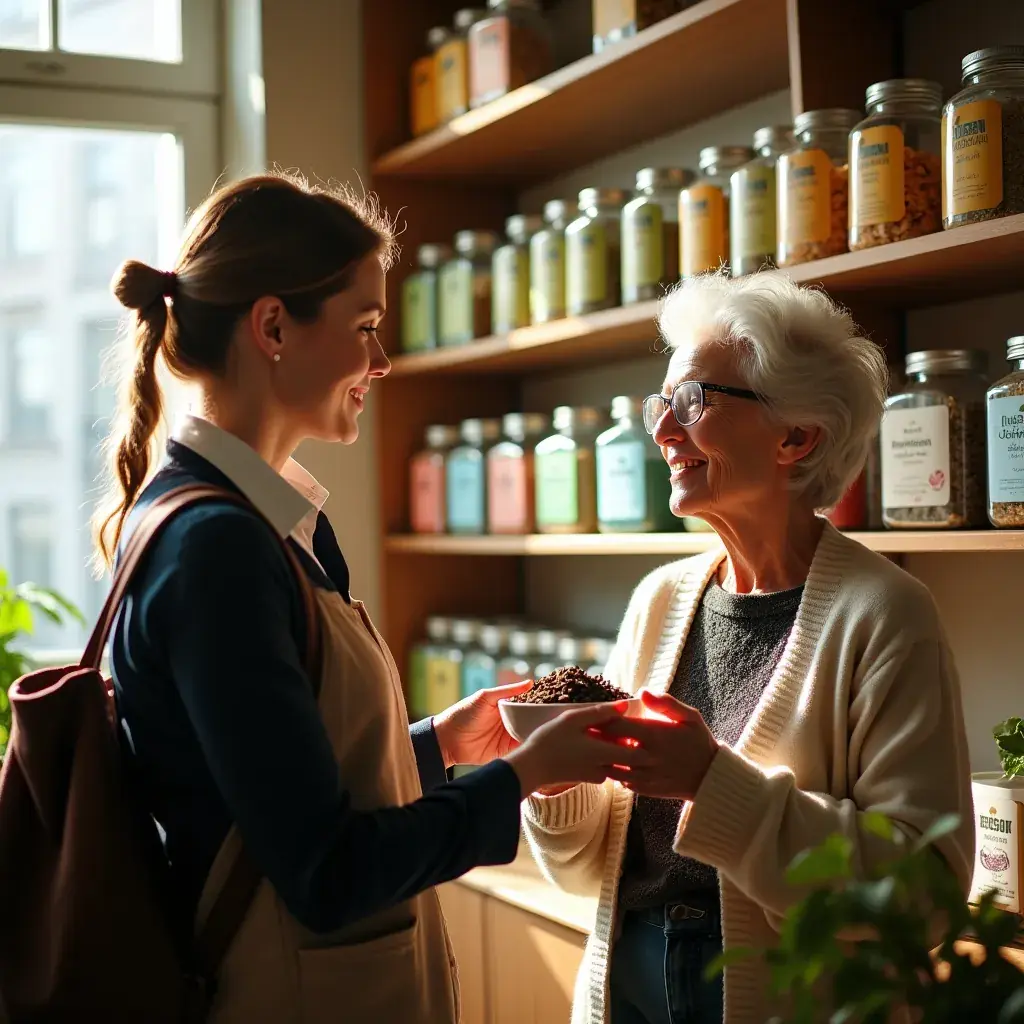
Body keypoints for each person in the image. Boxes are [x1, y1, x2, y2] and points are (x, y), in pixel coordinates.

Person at [95, 173, 647, 1023]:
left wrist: (435, 746)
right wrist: (519, 777)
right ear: (273, 325)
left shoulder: (264, 523)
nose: (382, 362)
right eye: (364, 328)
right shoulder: (216, 549)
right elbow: (325, 871)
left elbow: (265, 792)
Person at [520, 272, 975, 1024]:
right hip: (623, 984)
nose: (664, 431)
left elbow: (922, 897)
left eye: (693, 403)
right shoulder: (661, 600)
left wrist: (711, 782)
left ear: (796, 437)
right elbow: (583, 875)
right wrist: (557, 786)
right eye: (661, 404)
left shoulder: (886, 613)